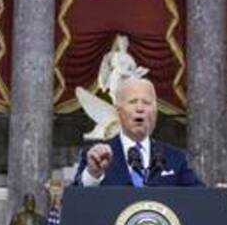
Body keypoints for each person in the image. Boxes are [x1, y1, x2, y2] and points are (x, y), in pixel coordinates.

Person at [73, 77, 202, 187]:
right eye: (133, 102)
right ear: (118, 111)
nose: (140, 108)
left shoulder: (175, 158)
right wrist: (92, 174)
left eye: (146, 102)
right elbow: (76, 201)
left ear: (155, 112)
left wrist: (220, 196)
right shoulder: (96, 157)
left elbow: (202, 199)